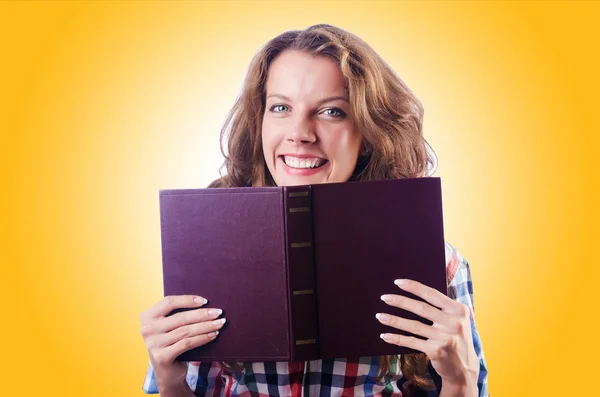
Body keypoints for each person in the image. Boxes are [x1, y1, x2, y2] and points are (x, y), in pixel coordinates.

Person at [140, 24, 489, 397]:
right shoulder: (201, 251)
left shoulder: (439, 263)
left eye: (331, 112)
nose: (300, 133)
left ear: (368, 133)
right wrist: (169, 380)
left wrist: (459, 380)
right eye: (280, 107)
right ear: (259, 122)